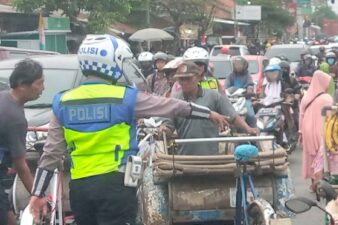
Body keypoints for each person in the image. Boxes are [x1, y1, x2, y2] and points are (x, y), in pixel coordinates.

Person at [28, 34, 229, 225]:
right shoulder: (126, 97)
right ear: (112, 63)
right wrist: (208, 113)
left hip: (80, 188)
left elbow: (51, 153)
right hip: (116, 185)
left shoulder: (63, 101)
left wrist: (37, 193)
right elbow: (171, 106)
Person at [161, 61, 258, 155]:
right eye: (182, 79)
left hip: (211, 157)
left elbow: (232, 116)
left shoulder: (214, 96)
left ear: (199, 78)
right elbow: (168, 126)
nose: (185, 82)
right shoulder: (174, 101)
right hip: (185, 158)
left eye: (188, 78)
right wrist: (163, 130)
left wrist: (248, 129)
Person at [0, 58, 44, 225]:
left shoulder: (3, 97)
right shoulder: (15, 117)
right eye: (39, 83)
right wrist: (37, 195)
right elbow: (21, 165)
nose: (42, 89)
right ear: (22, 84)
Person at [299, 70, 333, 192]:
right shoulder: (327, 98)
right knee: (321, 155)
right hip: (321, 128)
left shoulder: (306, 97)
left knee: (310, 156)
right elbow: (331, 116)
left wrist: (300, 132)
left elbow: (301, 115)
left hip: (307, 129)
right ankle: (320, 183)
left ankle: (313, 183)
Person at [224, 56, 256, 127]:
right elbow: (225, 86)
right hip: (232, 99)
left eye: (240, 64)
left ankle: (254, 130)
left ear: (244, 65)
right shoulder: (231, 75)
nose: (238, 66)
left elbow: (250, 84)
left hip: (244, 99)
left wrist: (249, 91)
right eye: (236, 64)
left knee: (251, 115)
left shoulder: (247, 75)